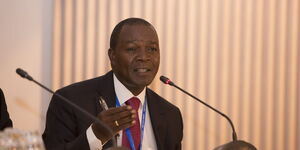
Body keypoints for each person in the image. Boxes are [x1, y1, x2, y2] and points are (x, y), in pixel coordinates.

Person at [43, 18, 183, 150]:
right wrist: (96, 135)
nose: (144, 57)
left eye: (152, 49)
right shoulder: (69, 100)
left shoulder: (171, 115)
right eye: (132, 49)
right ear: (112, 56)